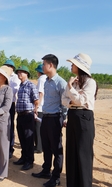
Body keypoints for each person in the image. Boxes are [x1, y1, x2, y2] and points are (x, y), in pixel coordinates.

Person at [62, 53, 97, 187]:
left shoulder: (90, 82)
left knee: (83, 154)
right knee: (71, 152)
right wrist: (73, 100)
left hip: (84, 118)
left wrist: (71, 89)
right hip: (73, 116)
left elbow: (82, 100)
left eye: (73, 64)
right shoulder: (72, 82)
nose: (71, 65)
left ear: (80, 66)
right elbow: (64, 100)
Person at [32, 54, 67, 187]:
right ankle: (46, 170)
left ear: (50, 65)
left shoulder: (61, 83)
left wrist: (64, 118)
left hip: (55, 119)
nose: (42, 66)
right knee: (46, 146)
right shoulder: (46, 80)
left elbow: (65, 103)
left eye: (44, 64)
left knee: (56, 148)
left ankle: (56, 177)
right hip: (45, 117)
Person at [13, 65, 39, 170]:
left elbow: (36, 100)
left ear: (26, 74)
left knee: (28, 139)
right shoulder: (21, 86)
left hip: (28, 114)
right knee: (22, 138)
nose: (19, 74)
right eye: (18, 72)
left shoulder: (31, 85)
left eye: (21, 72)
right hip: (20, 115)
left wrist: (35, 110)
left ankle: (29, 161)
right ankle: (23, 157)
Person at [3, 60, 21, 158]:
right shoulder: (3, 75)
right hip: (2, 103)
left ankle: (10, 148)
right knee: (2, 126)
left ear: (12, 68)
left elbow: (14, 91)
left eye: (8, 66)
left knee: (9, 126)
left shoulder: (15, 78)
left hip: (10, 104)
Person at [34, 64, 47, 154]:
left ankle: (39, 147)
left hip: (40, 107)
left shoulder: (41, 79)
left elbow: (40, 93)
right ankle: (40, 145)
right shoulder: (46, 78)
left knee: (37, 127)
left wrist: (37, 106)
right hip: (44, 107)